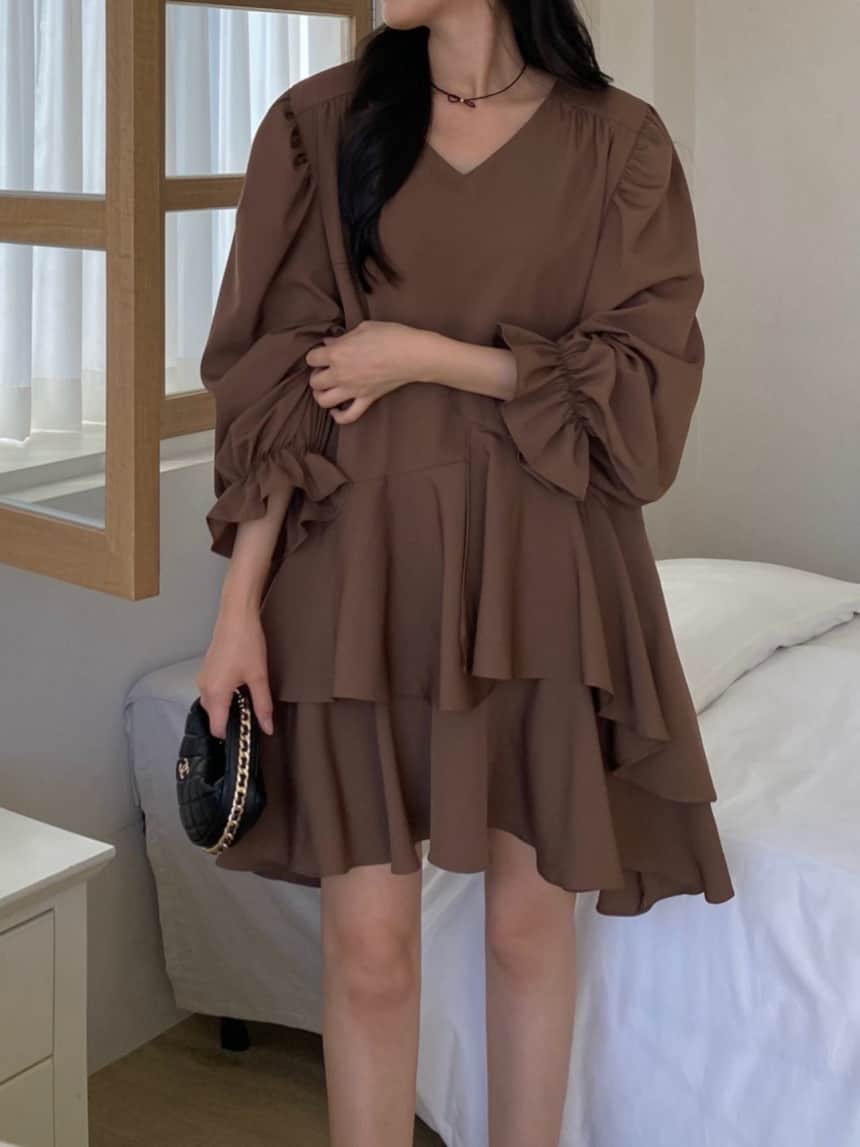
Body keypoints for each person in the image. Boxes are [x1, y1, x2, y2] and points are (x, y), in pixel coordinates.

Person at [197, 3, 735, 1144]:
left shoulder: (618, 143)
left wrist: (426, 357)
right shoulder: (315, 128)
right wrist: (237, 610)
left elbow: (641, 395)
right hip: (357, 578)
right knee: (369, 950)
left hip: (546, 574)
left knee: (527, 934)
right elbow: (277, 397)